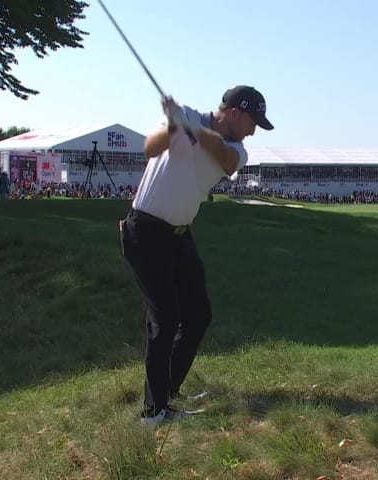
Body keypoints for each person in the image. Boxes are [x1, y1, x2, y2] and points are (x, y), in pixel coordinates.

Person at [120, 85, 274, 428]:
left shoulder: (235, 149)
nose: (253, 131)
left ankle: (168, 390)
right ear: (235, 112)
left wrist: (190, 128)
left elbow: (224, 156)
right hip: (145, 230)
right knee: (165, 318)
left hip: (179, 234)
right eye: (253, 122)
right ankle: (153, 413)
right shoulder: (185, 118)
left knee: (198, 314)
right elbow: (150, 147)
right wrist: (173, 127)